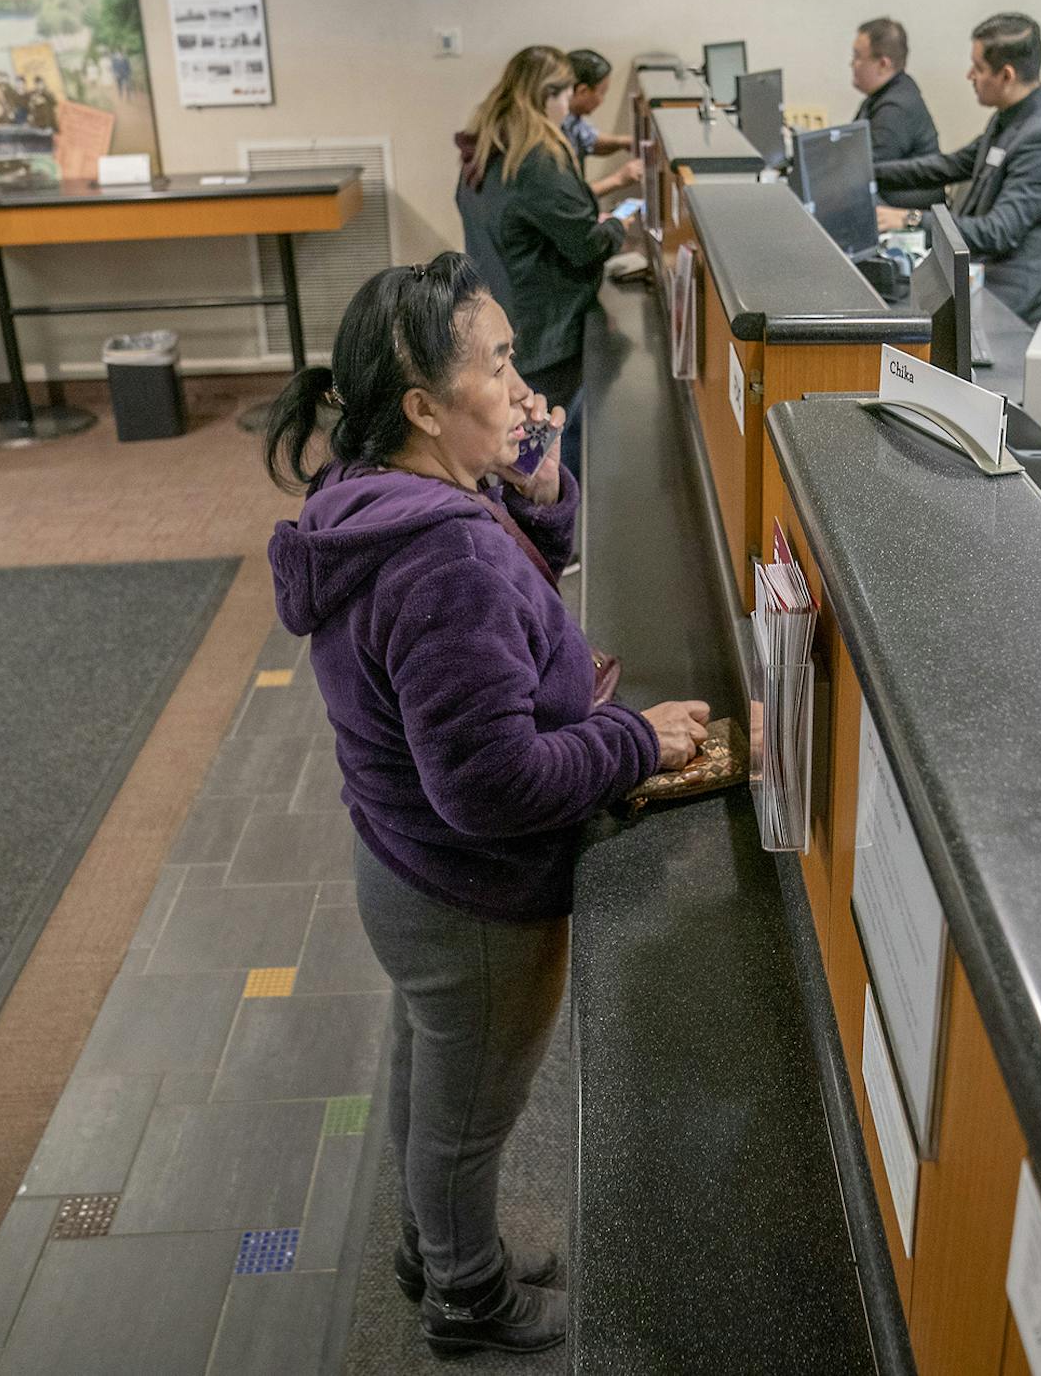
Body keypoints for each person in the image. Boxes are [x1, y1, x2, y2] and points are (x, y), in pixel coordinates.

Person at [265, 255, 709, 1358]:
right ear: (423, 406)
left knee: (433, 1065)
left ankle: (430, 1245)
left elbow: (498, 608)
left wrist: (539, 494)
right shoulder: (442, 553)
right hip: (471, 896)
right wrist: (632, 738)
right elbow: (492, 783)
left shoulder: (377, 492)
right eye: (498, 365)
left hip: (402, 864)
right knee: (470, 1117)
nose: (522, 387)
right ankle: (470, 1297)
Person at [455, 46, 637, 485]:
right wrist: (620, 226)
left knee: (520, 438)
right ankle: (548, 532)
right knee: (544, 447)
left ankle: (529, 521)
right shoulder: (538, 158)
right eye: (566, 93)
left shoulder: (486, 145)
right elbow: (585, 245)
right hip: (545, 330)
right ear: (550, 96)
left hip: (500, 314)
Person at [873, 12, 1041, 326]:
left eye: (978, 68)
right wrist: (872, 171)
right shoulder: (1009, 119)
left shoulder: (1040, 139)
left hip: (1012, 292)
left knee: (901, 317)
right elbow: (949, 165)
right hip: (982, 270)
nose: (970, 75)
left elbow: (998, 232)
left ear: (1006, 75)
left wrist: (910, 218)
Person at [850, 16, 942, 207]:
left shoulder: (895, 108)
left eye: (858, 56)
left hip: (903, 216)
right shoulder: (886, 94)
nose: (852, 64)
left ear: (883, 64)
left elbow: (865, 172)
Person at [560, 49, 643, 201]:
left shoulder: (571, 118)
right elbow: (566, 200)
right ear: (582, 91)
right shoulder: (554, 129)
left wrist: (624, 142)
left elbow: (589, 140)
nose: (602, 101)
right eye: (602, 93)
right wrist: (619, 178)